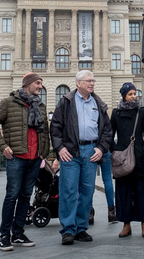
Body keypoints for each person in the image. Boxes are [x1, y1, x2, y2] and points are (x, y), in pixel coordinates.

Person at [0, 73, 50, 252]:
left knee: (25, 197)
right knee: (12, 196)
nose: (40, 87)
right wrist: (2, 146)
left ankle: (18, 233)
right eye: (38, 83)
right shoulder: (9, 102)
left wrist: (43, 153)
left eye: (40, 84)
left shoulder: (40, 105)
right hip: (16, 157)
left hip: (34, 158)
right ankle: (4, 235)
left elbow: (44, 130)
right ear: (28, 84)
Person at [51, 70, 112, 246]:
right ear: (78, 83)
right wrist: (60, 148)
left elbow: (107, 130)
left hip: (91, 152)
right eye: (88, 81)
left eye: (93, 80)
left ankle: (81, 228)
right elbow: (55, 127)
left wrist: (101, 148)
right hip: (70, 152)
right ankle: (68, 229)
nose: (92, 83)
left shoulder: (98, 103)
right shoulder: (66, 102)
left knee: (87, 191)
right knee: (69, 191)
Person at [110, 82, 144, 238]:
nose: (134, 96)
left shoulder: (141, 111)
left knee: (141, 191)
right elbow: (109, 133)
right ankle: (126, 224)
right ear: (124, 96)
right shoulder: (116, 113)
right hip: (122, 158)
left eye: (135, 94)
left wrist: (143, 150)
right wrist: (114, 149)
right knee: (123, 192)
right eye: (130, 94)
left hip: (139, 157)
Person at [97, 149, 116, 223]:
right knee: (108, 179)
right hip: (105, 149)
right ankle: (111, 211)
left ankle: (89, 212)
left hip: (92, 149)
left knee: (90, 181)